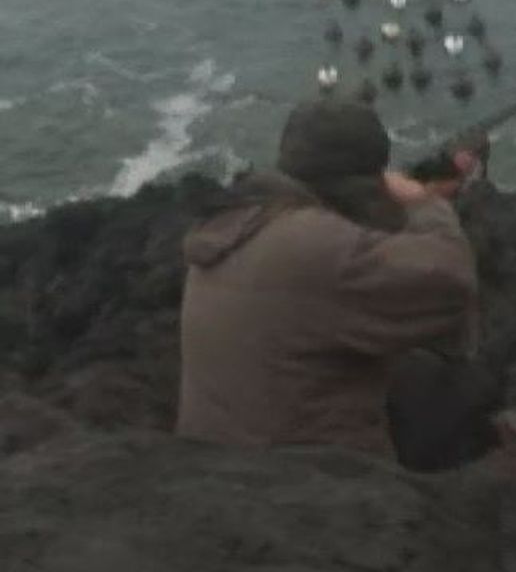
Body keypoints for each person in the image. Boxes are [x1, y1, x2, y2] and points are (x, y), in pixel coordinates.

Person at [176, 99, 482, 458]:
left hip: (218, 459)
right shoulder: (313, 245)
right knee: (466, 397)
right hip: (307, 480)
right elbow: (451, 280)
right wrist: (423, 202)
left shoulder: (236, 224)